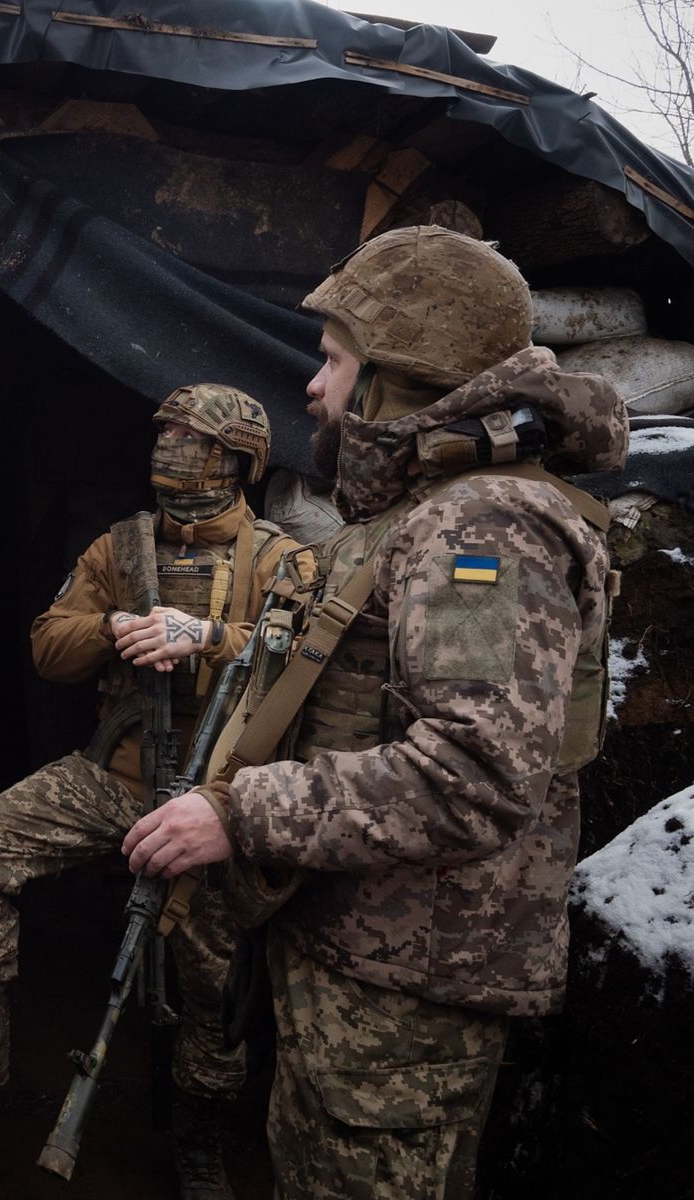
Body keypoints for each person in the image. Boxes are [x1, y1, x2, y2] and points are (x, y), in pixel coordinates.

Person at [121, 227, 628, 1199]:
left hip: (405, 985)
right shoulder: (432, 512)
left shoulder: (483, 525)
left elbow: (473, 774)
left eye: (334, 362)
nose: (314, 387)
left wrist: (237, 813)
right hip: (369, 959)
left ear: (397, 383)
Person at [0, 384, 310, 1198]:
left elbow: (306, 661)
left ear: (240, 460)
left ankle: (202, 1139)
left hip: (219, 804)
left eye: (195, 441)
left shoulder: (282, 561)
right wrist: (111, 629)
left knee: (213, 985)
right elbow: (47, 646)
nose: (172, 452)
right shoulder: (123, 548)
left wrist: (207, 636)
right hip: (114, 777)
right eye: (167, 436)